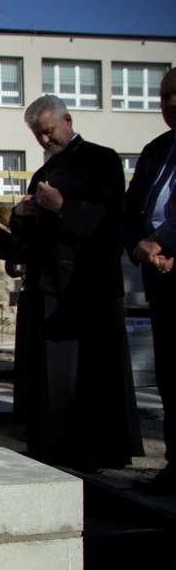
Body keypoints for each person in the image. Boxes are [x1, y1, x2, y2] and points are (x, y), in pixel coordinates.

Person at [10, 94, 143, 473]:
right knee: (52, 377)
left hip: (87, 286)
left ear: (67, 120)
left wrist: (62, 206)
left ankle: (94, 451)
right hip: (47, 282)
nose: (45, 141)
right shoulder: (43, 171)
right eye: (38, 135)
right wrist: (20, 215)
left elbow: (110, 218)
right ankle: (52, 445)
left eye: (49, 131)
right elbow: (29, 230)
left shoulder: (102, 159)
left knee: (88, 377)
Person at [120, 68, 176, 493]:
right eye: (163, 97)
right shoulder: (156, 149)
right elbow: (132, 205)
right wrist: (139, 244)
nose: (169, 104)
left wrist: (163, 241)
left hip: (170, 255)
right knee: (170, 372)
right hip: (157, 273)